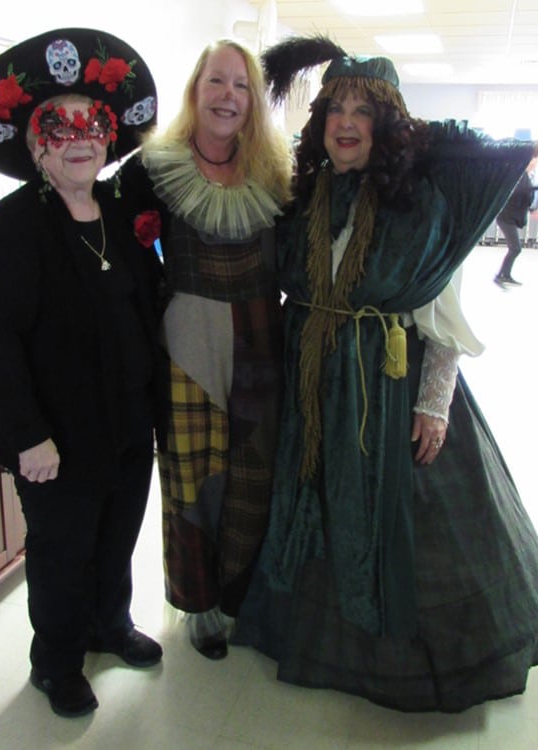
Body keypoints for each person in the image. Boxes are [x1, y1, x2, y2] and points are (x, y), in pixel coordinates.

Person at [232, 36, 538, 712]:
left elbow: (443, 314)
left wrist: (434, 406)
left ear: (389, 124)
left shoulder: (421, 204)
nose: (345, 121)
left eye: (365, 111)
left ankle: (403, 651)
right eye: (335, 107)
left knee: (404, 521)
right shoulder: (304, 198)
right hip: (313, 388)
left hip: (390, 389)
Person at [0, 28, 166, 718]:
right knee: (60, 551)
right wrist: (27, 435)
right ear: (35, 144)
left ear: (109, 136)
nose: (79, 138)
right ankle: (56, 660)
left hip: (129, 424)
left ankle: (110, 625)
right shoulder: (12, 225)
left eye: (93, 124)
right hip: (55, 438)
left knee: (117, 535)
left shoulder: (116, 211)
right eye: (60, 126)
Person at [116, 39, 293, 659]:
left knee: (252, 475)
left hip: (260, 343)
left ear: (253, 102)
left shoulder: (275, 172)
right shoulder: (152, 168)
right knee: (190, 479)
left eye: (241, 86)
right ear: (196, 89)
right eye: (217, 82)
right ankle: (198, 604)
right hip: (186, 343)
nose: (228, 97)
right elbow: (119, 257)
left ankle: (241, 594)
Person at [494, 158, 537, 286]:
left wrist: (532, 209)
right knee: (515, 248)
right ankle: (502, 275)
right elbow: (521, 192)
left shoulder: (526, 176)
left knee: (515, 248)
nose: (535, 164)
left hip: (510, 217)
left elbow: (525, 197)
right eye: (533, 161)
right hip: (506, 218)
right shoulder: (519, 175)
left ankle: (503, 275)